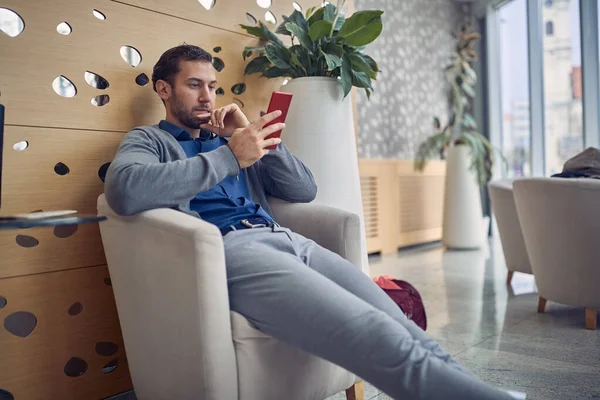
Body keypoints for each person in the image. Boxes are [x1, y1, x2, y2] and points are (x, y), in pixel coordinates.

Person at [104, 44, 525, 400]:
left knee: (397, 321)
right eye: (194, 85)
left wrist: (253, 137)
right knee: (373, 334)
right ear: (164, 88)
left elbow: (304, 189)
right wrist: (230, 157)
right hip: (233, 251)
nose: (207, 97)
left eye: (211, 87)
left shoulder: (230, 138)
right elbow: (123, 191)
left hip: (288, 240)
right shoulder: (149, 141)